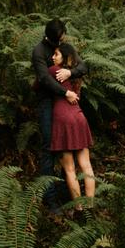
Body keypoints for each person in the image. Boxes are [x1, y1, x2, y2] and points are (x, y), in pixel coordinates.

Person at [31, 18, 87, 211]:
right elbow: (43, 79)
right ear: (52, 37)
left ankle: (67, 194)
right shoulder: (39, 52)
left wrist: (70, 73)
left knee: (67, 146)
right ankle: (50, 198)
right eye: (60, 38)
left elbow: (83, 67)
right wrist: (65, 92)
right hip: (48, 103)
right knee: (49, 147)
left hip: (65, 105)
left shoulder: (65, 47)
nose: (63, 40)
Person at [48, 42, 96, 211]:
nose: (52, 57)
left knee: (69, 169)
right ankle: (90, 207)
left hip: (63, 120)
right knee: (86, 165)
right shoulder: (76, 75)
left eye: (56, 54)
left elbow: (38, 84)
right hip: (79, 118)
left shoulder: (54, 71)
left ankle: (79, 209)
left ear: (65, 57)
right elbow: (83, 67)